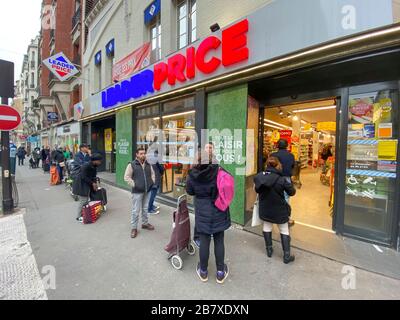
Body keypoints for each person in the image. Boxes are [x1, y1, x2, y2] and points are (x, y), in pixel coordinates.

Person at [186, 150, 231, 284]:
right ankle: (220, 273)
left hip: (202, 211)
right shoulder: (219, 171)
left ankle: (203, 272)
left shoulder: (192, 174)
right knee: (219, 240)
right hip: (218, 209)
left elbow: (190, 191)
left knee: (204, 241)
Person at [254, 156, 296, 264]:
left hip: (265, 208)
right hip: (279, 210)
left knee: (267, 226)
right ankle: (286, 256)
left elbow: (257, 189)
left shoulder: (259, 177)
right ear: (278, 165)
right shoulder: (281, 180)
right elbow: (292, 192)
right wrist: (291, 183)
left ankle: (269, 250)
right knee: (284, 230)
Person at [124, 147, 156, 239]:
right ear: (137, 155)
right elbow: (126, 177)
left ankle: (145, 224)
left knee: (145, 208)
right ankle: (134, 228)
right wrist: (135, 185)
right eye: (141, 153)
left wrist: (152, 182)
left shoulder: (148, 164)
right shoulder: (132, 164)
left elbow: (152, 174)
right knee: (135, 210)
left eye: (144, 153)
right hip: (137, 192)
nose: (143, 155)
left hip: (147, 190)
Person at [271, 139, 296, 226]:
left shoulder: (273, 155)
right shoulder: (291, 155)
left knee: (273, 196)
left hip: (274, 178)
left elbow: (269, 166)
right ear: (287, 145)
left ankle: (273, 215)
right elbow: (293, 166)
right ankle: (285, 218)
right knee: (285, 198)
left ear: (277, 145)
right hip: (286, 179)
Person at [73, 154, 103, 221]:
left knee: (86, 200)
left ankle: (85, 213)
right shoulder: (86, 166)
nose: (100, 162)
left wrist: (95, 184)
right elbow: (83, 177)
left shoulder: (94, 166)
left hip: (86, 184)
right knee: (83, 200)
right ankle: (79, 216)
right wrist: (92, 183)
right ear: (95, 161)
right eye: (99, 161)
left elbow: (93, 176)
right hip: (81, 184)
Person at [147, 149, 164, 215]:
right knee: (153, 194)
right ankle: (149, 209)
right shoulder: (157, 157)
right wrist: (162, 173)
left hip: (150, 177)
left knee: (151, 193)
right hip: (155, 177)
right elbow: (161, 168)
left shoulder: (148, 157)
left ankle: (151, 206)